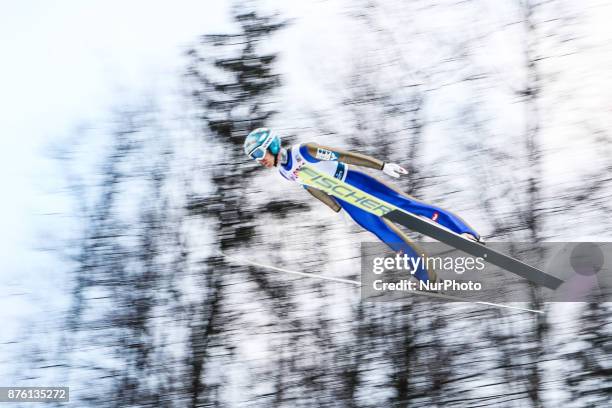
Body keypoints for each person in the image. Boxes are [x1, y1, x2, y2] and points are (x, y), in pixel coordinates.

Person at [244, 127, 482, 282]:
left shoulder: (305, 151)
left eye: (259, 154)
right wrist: (335, 206)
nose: (259, 161)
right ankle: (426, 275)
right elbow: (310, 186)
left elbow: (344, 156)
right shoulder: (285, 173)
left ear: (272, 145)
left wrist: (381, 165)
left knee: (407, 206)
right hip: (346, 199)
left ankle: (465, 232)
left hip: (354, 181)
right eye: (254, 158)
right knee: (384, 233)